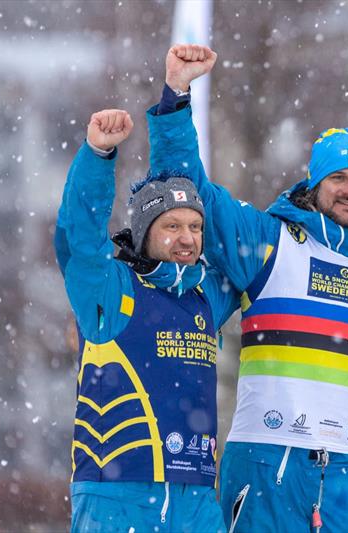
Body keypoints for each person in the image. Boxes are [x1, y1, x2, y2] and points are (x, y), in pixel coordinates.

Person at [146, 44, 348, 532]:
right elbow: (186, 184)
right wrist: (177, 94)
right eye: (338, 177)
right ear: (316, 181)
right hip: (266, 462)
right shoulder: (270, 242)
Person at [55, 108, 238, 532]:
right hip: (117, 494)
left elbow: (246, 247)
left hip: (196, 499)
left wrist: (176, 104)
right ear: (143, 232)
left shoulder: (206, 295)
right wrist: (98, 155)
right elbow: (79, 235)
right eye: (172, 225)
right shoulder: (109, 288)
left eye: (195, 226)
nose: (187, 238)